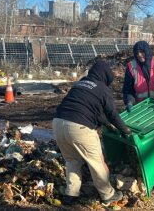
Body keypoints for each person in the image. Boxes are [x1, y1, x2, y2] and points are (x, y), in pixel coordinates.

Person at [52, 59, 131, 205]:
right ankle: (108, 194)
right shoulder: (102, 88)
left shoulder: (80, 83)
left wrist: (107, 125)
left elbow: (94, 111)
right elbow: (112, 113)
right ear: (105, 76)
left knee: (72, 160)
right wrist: (124, 129)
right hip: (79, 128)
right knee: (96, 163)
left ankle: (71, 194)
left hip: (58, 123)